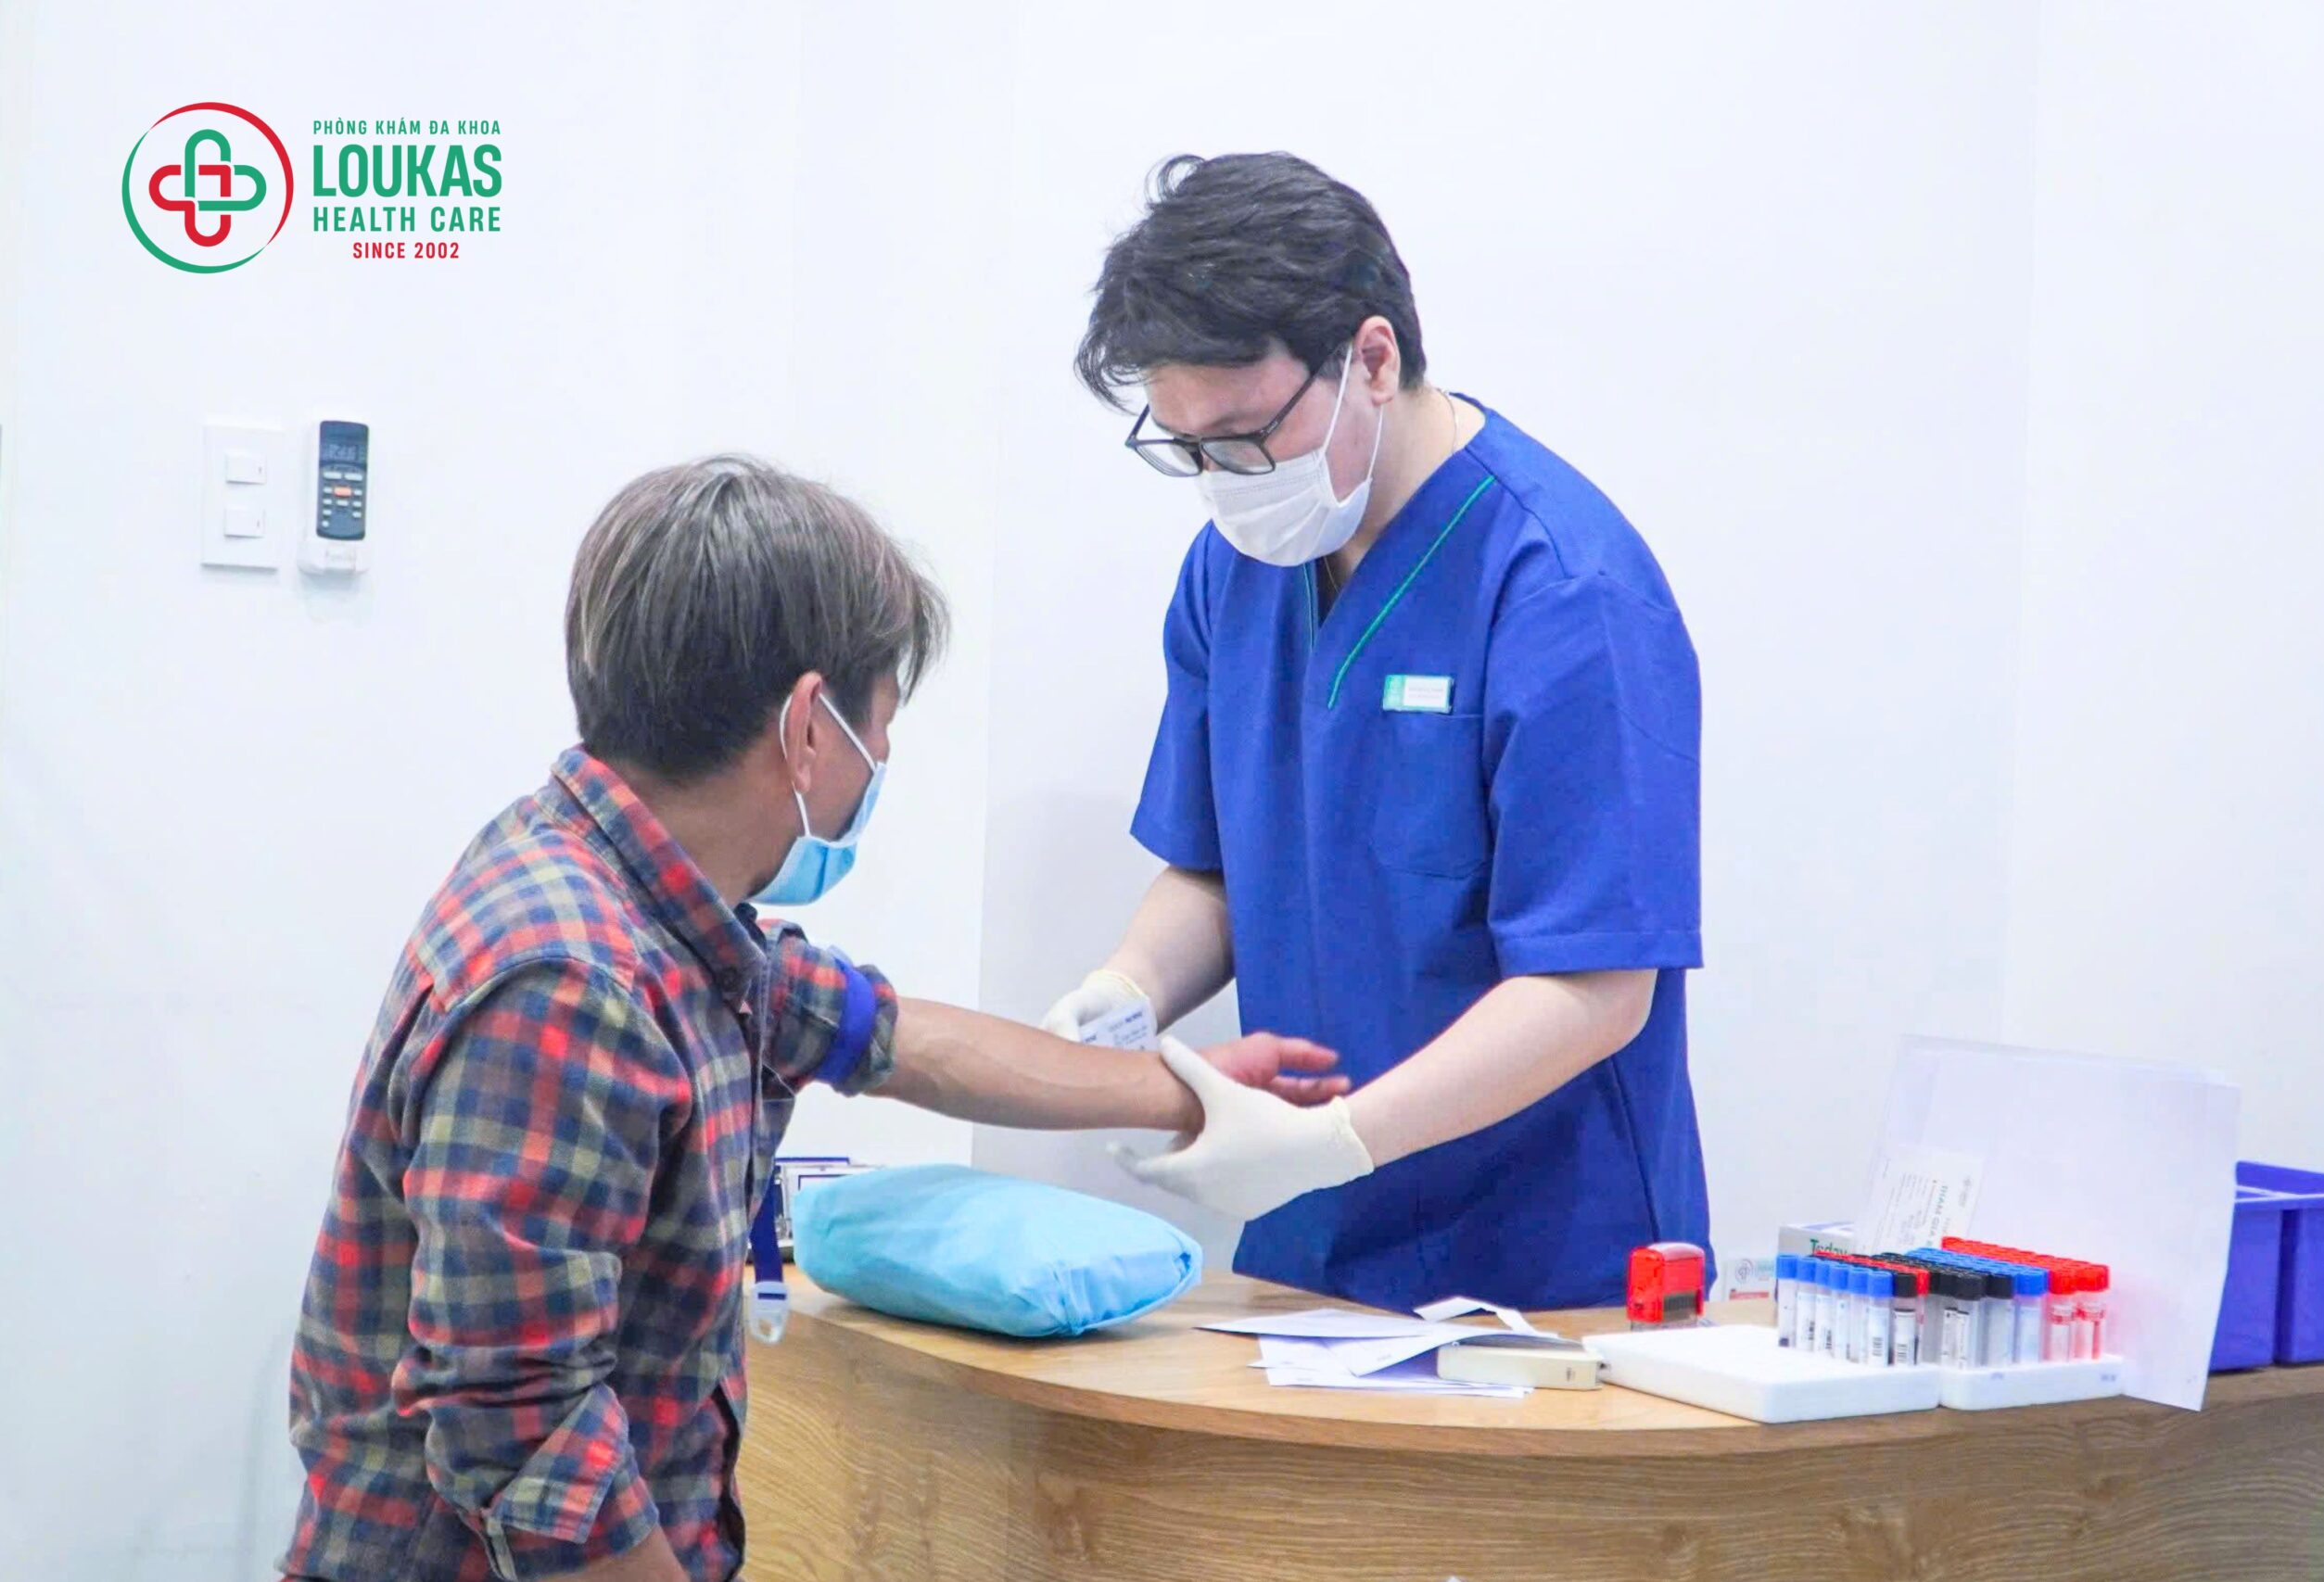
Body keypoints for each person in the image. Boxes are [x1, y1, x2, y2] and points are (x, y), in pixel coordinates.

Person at [279, 457, 1340, 1582]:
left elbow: (891, 1038)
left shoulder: (652, 901)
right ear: (807, 730)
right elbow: (525, 1442)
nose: (882, 761)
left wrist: (1190, 1091)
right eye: (881, 725)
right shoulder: (570, 983)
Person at [1051, 152, 1711, 1312]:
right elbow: (1217, 870)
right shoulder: (1236, 569)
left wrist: (1340, 1139)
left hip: (1544, 1274)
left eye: (1245, 436)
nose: (1224, 480)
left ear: (1371, 358)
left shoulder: (1564, 590)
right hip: (1311, 1256)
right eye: (1188, 448)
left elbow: (1599, 987)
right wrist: (1123, 993)